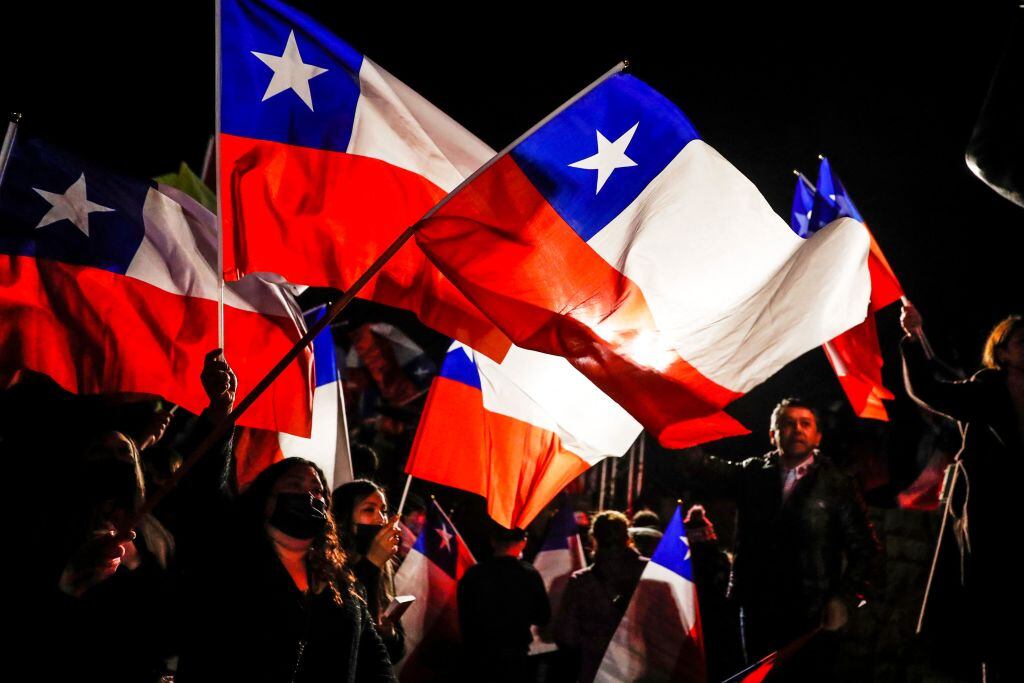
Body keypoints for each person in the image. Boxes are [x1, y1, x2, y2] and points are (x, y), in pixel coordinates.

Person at [173, 351, 395, 682]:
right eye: (294, 485)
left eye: (318, 491)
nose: (309, 495)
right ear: (264, 500)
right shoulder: (231, 554)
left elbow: (374, 661)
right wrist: (220, 416)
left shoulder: (340, 582)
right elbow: (203, 484)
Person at [678, 398, 880, 681]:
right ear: (773, 435)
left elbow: (866, 550)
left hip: (811, 613)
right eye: (787, 423)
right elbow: (702, 468)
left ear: (817, 436)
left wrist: (844, 599)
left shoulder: (837, 484)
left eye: (805, 423)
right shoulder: (752, 473)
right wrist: (671, 421)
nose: (796, 429)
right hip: (757, 605)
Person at [901, 306, 1023, 681]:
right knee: (995, 622)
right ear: (1002, 352)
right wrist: (913, 339)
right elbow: (928, 390)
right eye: (1022, 341)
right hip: (995, 524)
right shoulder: (986, 389)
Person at [554, 511, 647, 683]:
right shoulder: (650, 573)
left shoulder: (582, 582)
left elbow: (566, 634)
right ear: (627, 536)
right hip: (643, 669)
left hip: (597, 669)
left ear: (594, 538)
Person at [457, 525, 550, 683]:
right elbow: (543, 616)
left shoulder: (474, 574)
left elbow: (463, 614)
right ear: (523, 542)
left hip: (478, 656)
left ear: (493, 541)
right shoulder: (529, 575)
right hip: (514, 657)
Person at [332, 479, 405, 662]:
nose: (381, 519)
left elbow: (395, 654)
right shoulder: (327, 566)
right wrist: (371, 564)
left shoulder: (384, 567)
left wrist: (390, 635)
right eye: (369, 509)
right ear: (344, 517)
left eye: (384, 510)